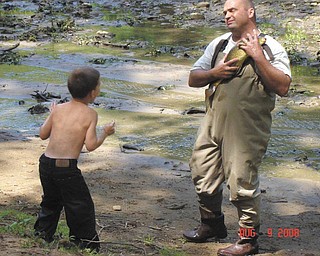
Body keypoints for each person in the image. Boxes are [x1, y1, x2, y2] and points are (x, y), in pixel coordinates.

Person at [183, 0, 291, 255]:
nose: (226, 15)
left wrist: (257, 57)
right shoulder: (219, 44)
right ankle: (211, 225)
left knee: (242, 181)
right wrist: (215, 72)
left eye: (232, 10)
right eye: (224, 12)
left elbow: (283, 87)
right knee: (202, 172)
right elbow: (192, 78)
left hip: (247, 128)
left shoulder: (270, 46)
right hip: (213, 120)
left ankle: (248, 240)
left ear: (250, 12)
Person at [34, 67, 116, 252]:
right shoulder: (90, 114)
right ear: (93, 92)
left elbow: (42, 134)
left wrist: (52, 113)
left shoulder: (58, 109)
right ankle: (86, 243)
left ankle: (42, 234)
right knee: (80, 205)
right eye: (99, 85)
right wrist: (105, 133)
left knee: (50, 202)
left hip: (46, 164)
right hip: (66, 169)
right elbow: (91, 145)